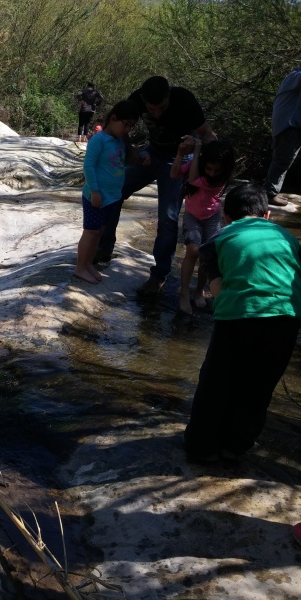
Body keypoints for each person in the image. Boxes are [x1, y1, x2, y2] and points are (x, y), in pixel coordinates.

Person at [183, 183, 301, 462]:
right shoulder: (288, 238)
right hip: (286, 317)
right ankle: (235, 445)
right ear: (267, 215)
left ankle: (201, 448)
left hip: (239, 316)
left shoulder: (220, 237)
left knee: (216, 383)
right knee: (259, 386)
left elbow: (215, 282)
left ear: (225, 217)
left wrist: (226, 305)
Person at [95, 76, 217, 297]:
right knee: (114, 191)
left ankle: (158, 275)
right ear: (143, 100)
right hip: (152, 153)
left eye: (162, 108)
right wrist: (131, 151)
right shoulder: (136, 100)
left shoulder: (184, 99)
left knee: (168, 218)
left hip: (179, 160)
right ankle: (104, 248)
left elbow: (207, 133)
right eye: (152, 109)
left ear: (169, 95)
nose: (157, 113)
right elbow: (113, 125)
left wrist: (213, 170)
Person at [73, 100, 141, 283]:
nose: (127, 129)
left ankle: (88, 265)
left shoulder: (119, 141)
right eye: (125, 124)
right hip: (96, 196)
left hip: (112, 197)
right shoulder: (99, 139)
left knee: (99, 233)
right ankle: (80, 267)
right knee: (91, 232)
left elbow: (119, 163)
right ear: (113, 119)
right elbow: (88, 165)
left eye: (131, 126)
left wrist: (140, 158)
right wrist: (94, 190)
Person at [169, 137, 236, 314]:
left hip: (211, 216)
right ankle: (184, 292)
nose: (212, 173)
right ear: (204, 163)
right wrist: (180, 154)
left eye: (216, 170)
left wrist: (197, 152)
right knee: (192, 250)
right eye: (209, 168)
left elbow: (192, 180)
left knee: (207, 255)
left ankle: (199, 290)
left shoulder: (220, 179)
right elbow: (174, 174)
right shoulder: (196, 164)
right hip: (192, 214)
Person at [263, 67, 301, 207]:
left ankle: (272, 191)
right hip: (288, 126)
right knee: (283, 160)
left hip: (292, 126)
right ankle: (270, 193)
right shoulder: (295, 76)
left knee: (284, 160)